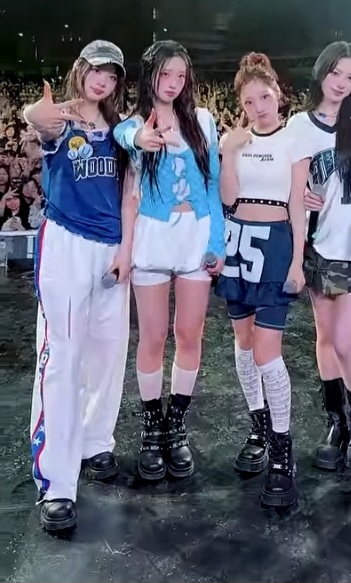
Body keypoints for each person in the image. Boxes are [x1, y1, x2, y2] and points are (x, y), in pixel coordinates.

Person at [23, 40, 132, 531]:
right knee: (62, 358)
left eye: (112, 74)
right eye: (96, 70)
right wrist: (37, 112)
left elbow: (129, 192)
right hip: (65, 241)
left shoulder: (121, 129)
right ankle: (56, 481)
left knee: (108, 351)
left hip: (110, 248)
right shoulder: (60, 117)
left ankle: (94, 441)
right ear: (81, 70)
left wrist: (126, 249)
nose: (102, 80)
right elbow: (37, 119)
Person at [113, 40, 225, 482]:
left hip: (196, 235)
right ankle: (151, 427)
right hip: (153, 236)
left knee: (189, 333)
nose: (173, 83)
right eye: (165, 74)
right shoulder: (136, 123)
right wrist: (139, 137)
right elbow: (123, 135)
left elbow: (212, 186)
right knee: (154, 335)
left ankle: (176, 423)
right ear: (151, 75)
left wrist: (217, 242)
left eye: (181, 75)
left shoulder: (203, 121)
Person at [286, 41, 351, 476]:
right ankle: (338, 424)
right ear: (321, 72)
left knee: (347, 342)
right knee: (326, 339)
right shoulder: (300, 125)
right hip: (321, 246)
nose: (342, 83)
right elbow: (295, 194)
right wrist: (296, 256)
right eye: (336, 73)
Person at [216, 52, 309, 507]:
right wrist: (228, 153)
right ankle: (258, 425)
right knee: (244, 344)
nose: (259, 107)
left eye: (265, 97)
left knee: (267, 353)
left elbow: (297, 205)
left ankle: (282, 449)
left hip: (275, 246)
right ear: (242, 104)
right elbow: (228, 198)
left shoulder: (294, 140)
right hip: (237, 242)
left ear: (278, 95)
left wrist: (297, 262)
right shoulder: (233, 139)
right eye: (249, 102)